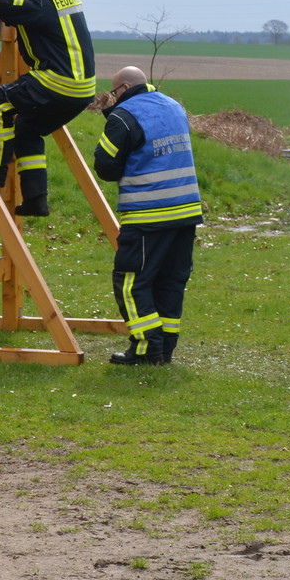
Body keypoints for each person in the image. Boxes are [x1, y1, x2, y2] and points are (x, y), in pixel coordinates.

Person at [0, 0, 96, 217]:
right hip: (82, 90)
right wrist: (14, 17)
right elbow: (40, 22)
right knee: (27, 130)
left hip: (58, 81)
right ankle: (36, 200)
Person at [92, 66, 202, 365]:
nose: (113, 98)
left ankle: (146, 347)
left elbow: (105, 166)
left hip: (147, 213)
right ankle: (165, 348)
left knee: (130, 281)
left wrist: (112, 119)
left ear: (124, 88)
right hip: (186, 211)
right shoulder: (173, 106)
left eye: (114, 93)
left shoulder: (123, 116)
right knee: (170, 281)